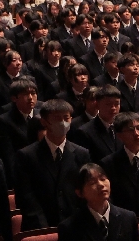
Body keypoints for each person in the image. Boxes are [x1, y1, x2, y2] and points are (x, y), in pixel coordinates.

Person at [14, 99, 92, 231]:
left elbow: (85, 191)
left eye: (66, 118)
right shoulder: (26, 155)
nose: (62, 122)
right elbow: (26, 196)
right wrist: (44, 227)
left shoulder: (82, 153)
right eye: (57, 118)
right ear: (44, 121)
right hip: (39, 227)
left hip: (75, 225)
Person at [101, 112, 139, 215]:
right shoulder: (109, 163)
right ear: (119, 135)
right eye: (130, 129)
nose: (136, 133)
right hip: (123, 219)